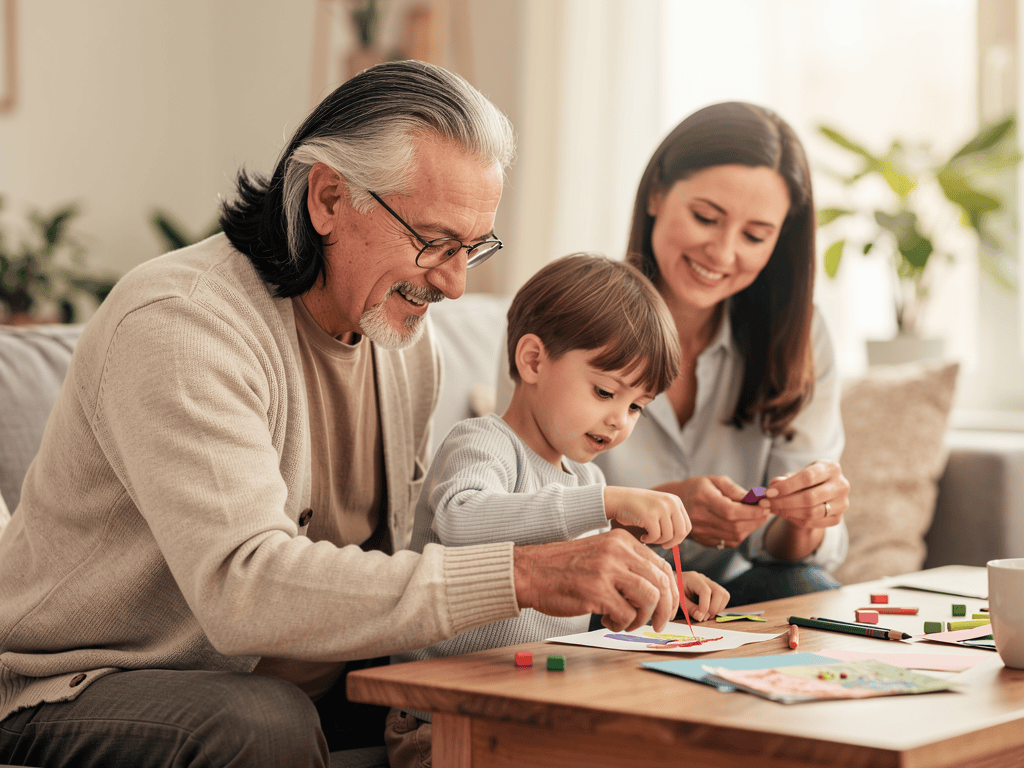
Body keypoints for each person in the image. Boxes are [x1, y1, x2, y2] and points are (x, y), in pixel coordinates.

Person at [0, 61, 678, 767]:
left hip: (320, 678)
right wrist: (529, 573)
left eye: (472, 248)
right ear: (328, 198)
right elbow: (245, 588)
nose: (454, 281)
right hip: (76, 683)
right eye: (435, 242)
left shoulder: (404, 342)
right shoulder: (183, 324)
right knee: (263, 723)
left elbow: (397, 567)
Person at [385, 253, 726, 768]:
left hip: (531, 712)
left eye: (636, 406)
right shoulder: (483, 444)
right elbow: (461, 520)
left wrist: (667, 589)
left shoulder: (585, 479)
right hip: (443, 719)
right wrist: (606, 503)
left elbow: (587, 584)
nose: (619, 421)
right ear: (534, 361)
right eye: (606, 392)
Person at [602, 101, 853, 605]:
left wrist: (806, 518)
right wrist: (653, 510)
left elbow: (785, 554)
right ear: (656, 193)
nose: (722, 253)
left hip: (719, 596)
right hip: (598, 593)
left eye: (755, 236)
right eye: (705, 217)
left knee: (808, 587)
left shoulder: (798, 335)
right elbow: (528, 521)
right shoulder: (572, 316)